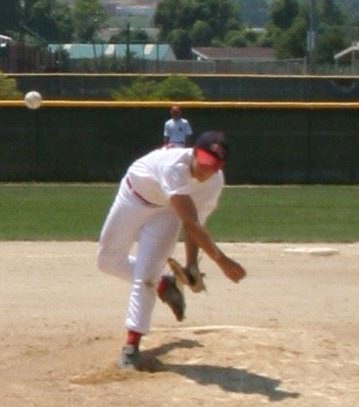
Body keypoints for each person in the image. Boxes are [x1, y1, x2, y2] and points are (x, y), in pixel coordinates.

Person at [95, 130, 246, 372]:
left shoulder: (214, 183)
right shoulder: (175, 166)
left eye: (214, 167)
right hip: (134, 197)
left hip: (167, 213)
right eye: (204, 163)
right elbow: (190, 223)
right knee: (107, 261)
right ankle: (164, 285)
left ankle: (131, 347)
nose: (207, 171)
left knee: (145, 276)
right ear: (194, 152)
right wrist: (222, 261)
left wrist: (192, 265)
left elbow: (196, 224)